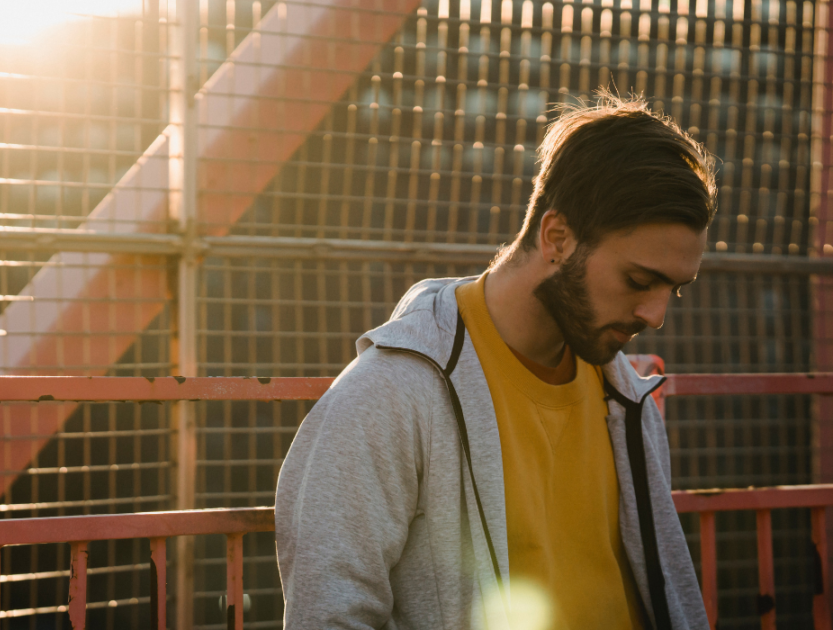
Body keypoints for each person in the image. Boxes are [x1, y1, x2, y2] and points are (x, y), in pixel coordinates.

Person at [275, 94, 714, 630]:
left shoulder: (628, 400)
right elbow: (329, 614)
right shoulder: (390, 395)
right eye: (638, 281)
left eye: (675, 289)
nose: (655, 313)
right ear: (557, 237)